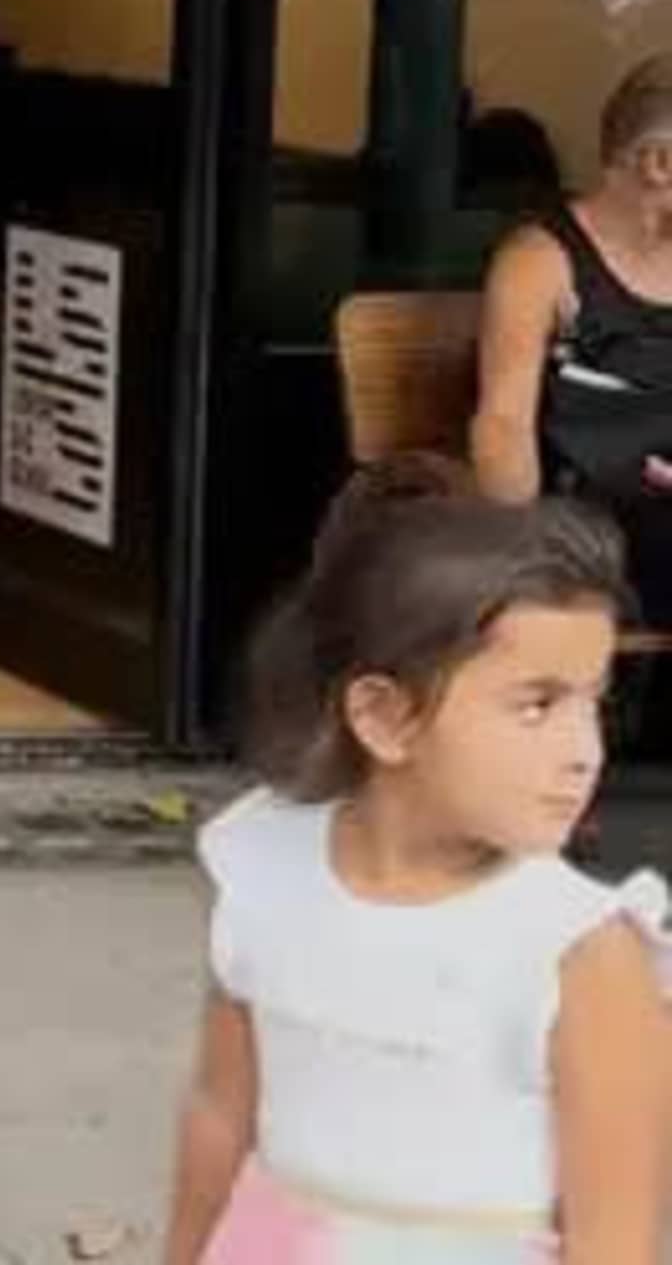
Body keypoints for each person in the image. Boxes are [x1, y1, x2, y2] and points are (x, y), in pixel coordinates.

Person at [161, 465, 668, 1263]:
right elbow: (223, 1113)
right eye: (537, 705)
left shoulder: (582, 950)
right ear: (385, 717)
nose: (585, 752)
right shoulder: (264, 870)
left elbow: (617, 1240)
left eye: (592, 703)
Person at [473, 60, 672, 599]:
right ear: (659, 163)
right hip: (586, 538)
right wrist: (524, 572)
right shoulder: (541, 262)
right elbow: (502, 430)